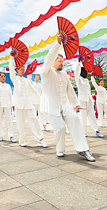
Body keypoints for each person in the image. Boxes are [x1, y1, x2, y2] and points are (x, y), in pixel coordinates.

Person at [40, 33, 96, 161]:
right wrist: (58, 44)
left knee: (75, 120)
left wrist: (75, 103)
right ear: (54, 61)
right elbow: (49, 58)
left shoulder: (64, 74)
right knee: (60, 128)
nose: (61, 63)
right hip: (51, 105)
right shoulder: (46, 72)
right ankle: (60, 150)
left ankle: (83, 149)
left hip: (64, 103)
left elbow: (70, 90)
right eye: (59, 61)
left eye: (62, 61)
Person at [9, 56, 47, 147]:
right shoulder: (15, 79)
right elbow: (11, 70)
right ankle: (22, 141)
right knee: (20, 124)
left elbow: (34, 91)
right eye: (21, 69)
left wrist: (41, 100)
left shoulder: (27, 80)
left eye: (23, 69)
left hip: (29, 105)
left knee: (34, 121)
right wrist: (11, 58)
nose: (22, 70)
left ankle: (41, 139)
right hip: (19, 105)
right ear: (17, 70)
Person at [75, 62, 104, 137]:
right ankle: (84, 132)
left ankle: (96, 130)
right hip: (82, 100)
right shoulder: (78, 80)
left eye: (86, 72)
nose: (86, 73)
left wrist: (92, 76)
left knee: (92, 116)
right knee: (83, 117)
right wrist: (78, 64)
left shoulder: (87, 81)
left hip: (89, 100)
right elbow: (76, 73)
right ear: (81, 73)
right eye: (84, 72)